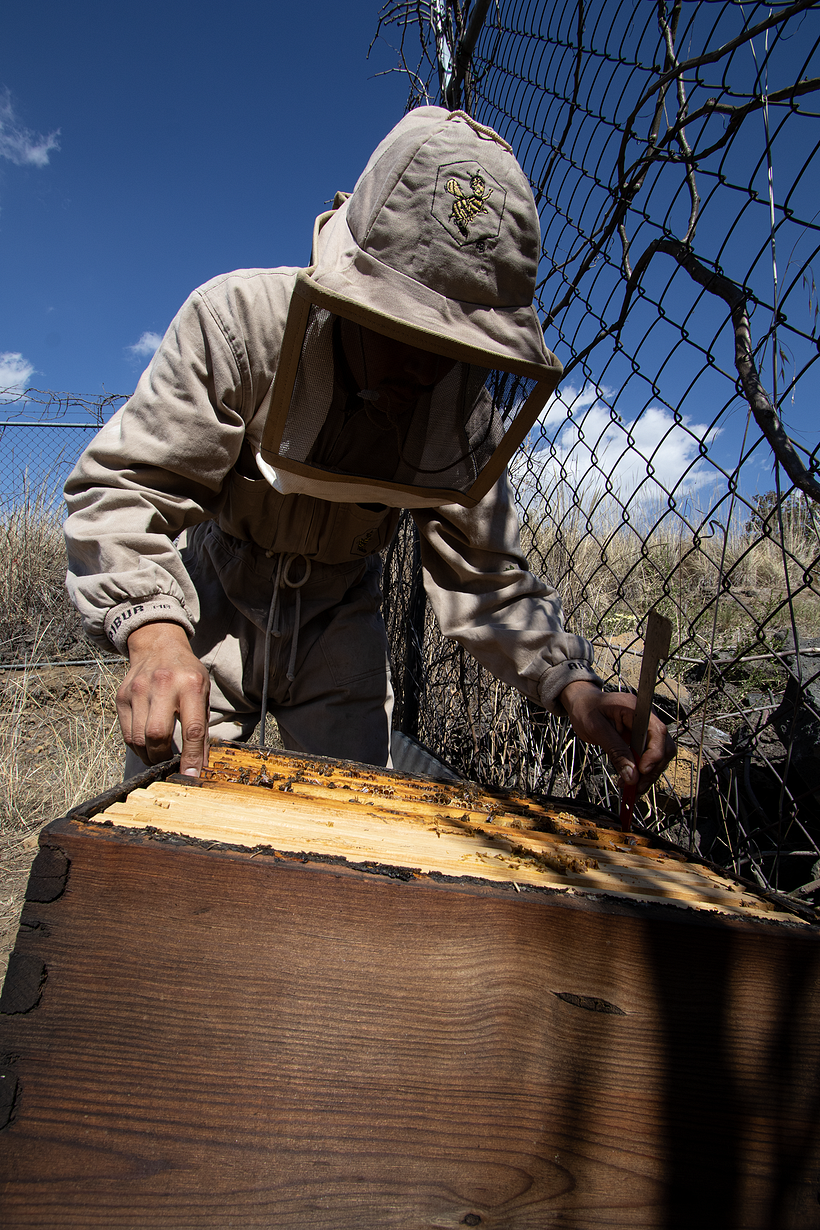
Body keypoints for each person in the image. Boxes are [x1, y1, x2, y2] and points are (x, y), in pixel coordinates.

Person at [64, 106, 674, 789]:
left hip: (341, 614)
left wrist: (575, 688)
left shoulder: (459, 410)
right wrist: (155, 636)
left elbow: (485, 574)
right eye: (402, 330)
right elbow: (122, 489)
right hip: (214, 597)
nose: (425, 367)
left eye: (453, 349)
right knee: (171, 794)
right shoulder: (237, 323)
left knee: (354, 811)